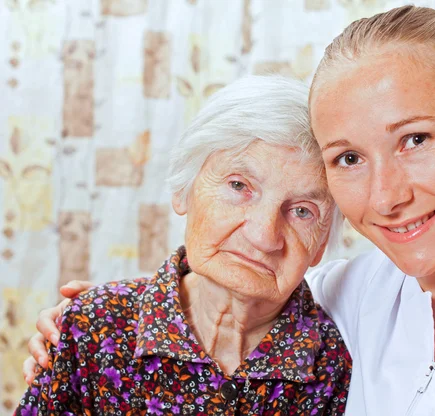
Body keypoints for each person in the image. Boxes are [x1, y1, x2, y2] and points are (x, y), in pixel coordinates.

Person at [25, 5, 435, 415]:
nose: (387, 196)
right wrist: (86, 326)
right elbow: (242, 270)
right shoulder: (355, 293)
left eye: (416, 139)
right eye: (349, 158)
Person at [16, 75, 351, 415]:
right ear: (183, 190)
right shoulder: (91, 325)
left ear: (321, 243)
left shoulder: (342, 363)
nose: (264, 235)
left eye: (302, 212)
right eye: (239, 186)